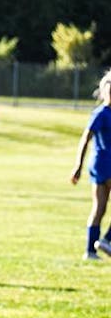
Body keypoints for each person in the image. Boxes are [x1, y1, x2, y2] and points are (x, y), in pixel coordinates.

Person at [71, 69, 111, 260]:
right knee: (98, 207)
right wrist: (77, 165)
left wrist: (78, 167)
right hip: (106, 163)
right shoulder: (103, 114)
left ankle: (90, 251)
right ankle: (107, 240)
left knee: (100, 208)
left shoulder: (100, 113)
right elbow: (85, 138)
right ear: (104, 93)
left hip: (99, 165)